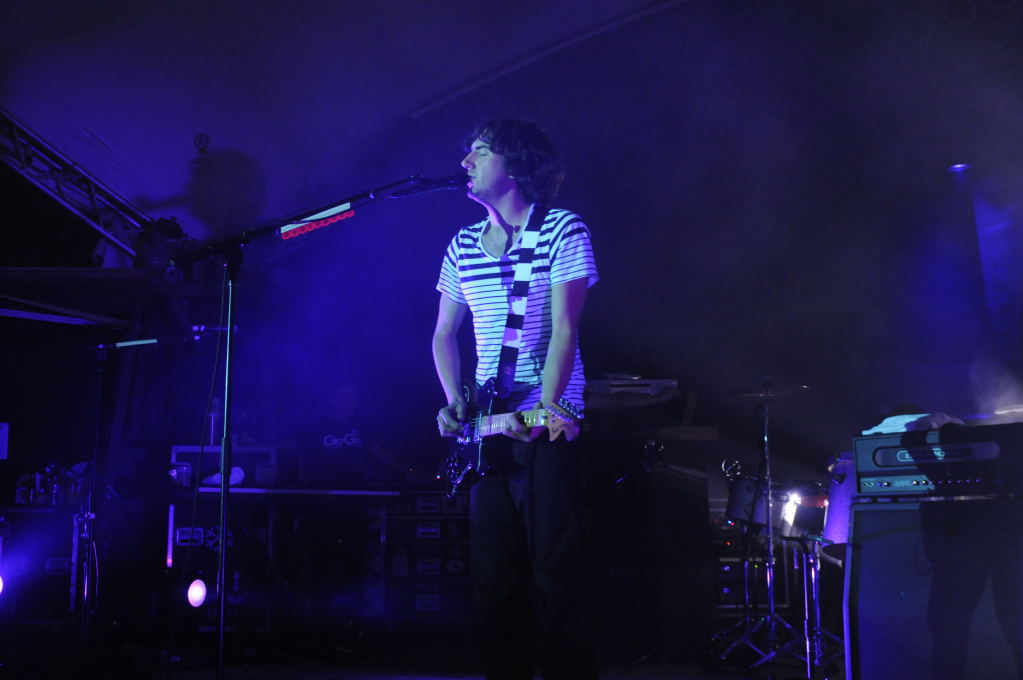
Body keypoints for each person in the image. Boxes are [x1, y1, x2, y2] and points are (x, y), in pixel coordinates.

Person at [433, 119, 599, 680]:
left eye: (480, 151)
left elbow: (564, 330)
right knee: (493, 576)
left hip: (546, 423)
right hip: (487, 428)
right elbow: (443, 333)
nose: (466, 162)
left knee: (555, 571)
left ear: (515, 164)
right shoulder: (461, 244)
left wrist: (549, 405)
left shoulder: (562, 230)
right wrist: (454, 401)